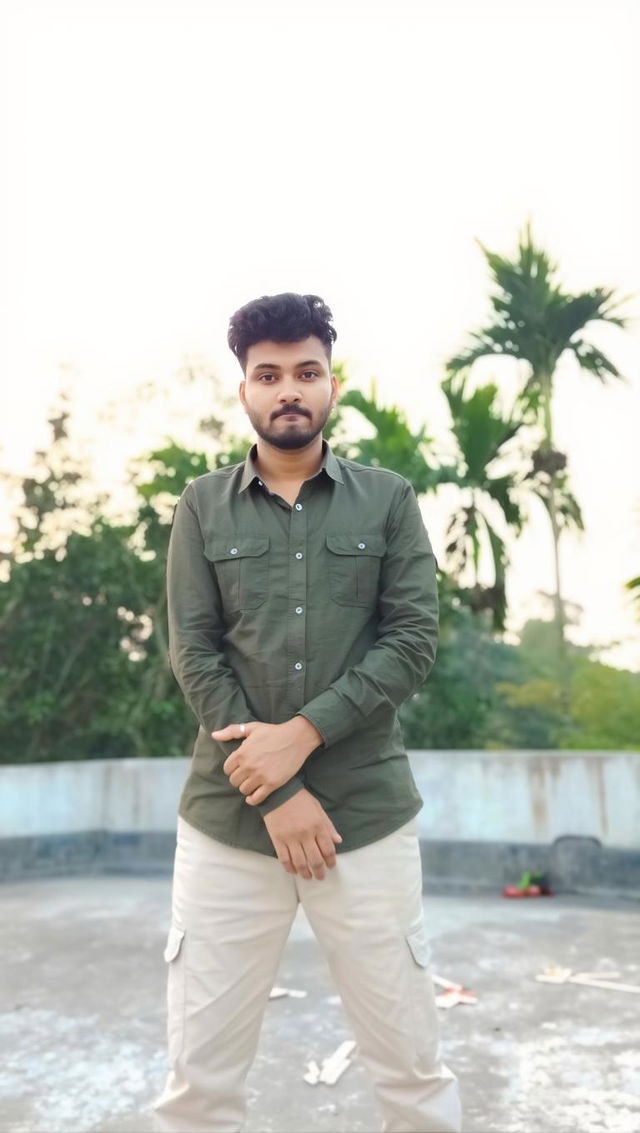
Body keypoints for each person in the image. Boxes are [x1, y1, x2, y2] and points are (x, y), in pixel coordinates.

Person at [152, 292, 462, 1133]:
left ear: (331, 382)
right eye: (269, 374)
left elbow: (410, 641)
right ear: (244, 390)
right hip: (230, 822)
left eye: (306, 371)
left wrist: (303, 735)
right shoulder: (201, 505)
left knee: (411, 1070)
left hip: (366, 816)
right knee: (199, 1084)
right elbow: (196, 652)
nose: (289, 388)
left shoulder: (388, 500)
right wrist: (277, 789)